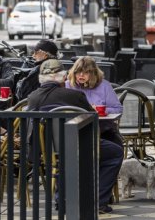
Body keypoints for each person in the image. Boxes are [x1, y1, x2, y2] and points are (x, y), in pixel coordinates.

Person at [27, 59, 123, 214]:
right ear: (64, 76)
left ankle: (62, 199)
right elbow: (91, 120)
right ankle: (98, 201)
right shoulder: (74, 95)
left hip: (45, 149)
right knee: (115, 152)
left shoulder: (32, 97)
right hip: (77, 144)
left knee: (64, 159)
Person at [65, 56, 123, 146]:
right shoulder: (67, 85)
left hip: (102, 130)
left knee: (116, 146)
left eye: (86, 72)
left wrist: (102, 110)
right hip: (74, 130)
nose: (81, 75)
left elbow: (118, 109)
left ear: (93, 73)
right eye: (78, 71)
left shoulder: (104, 86)